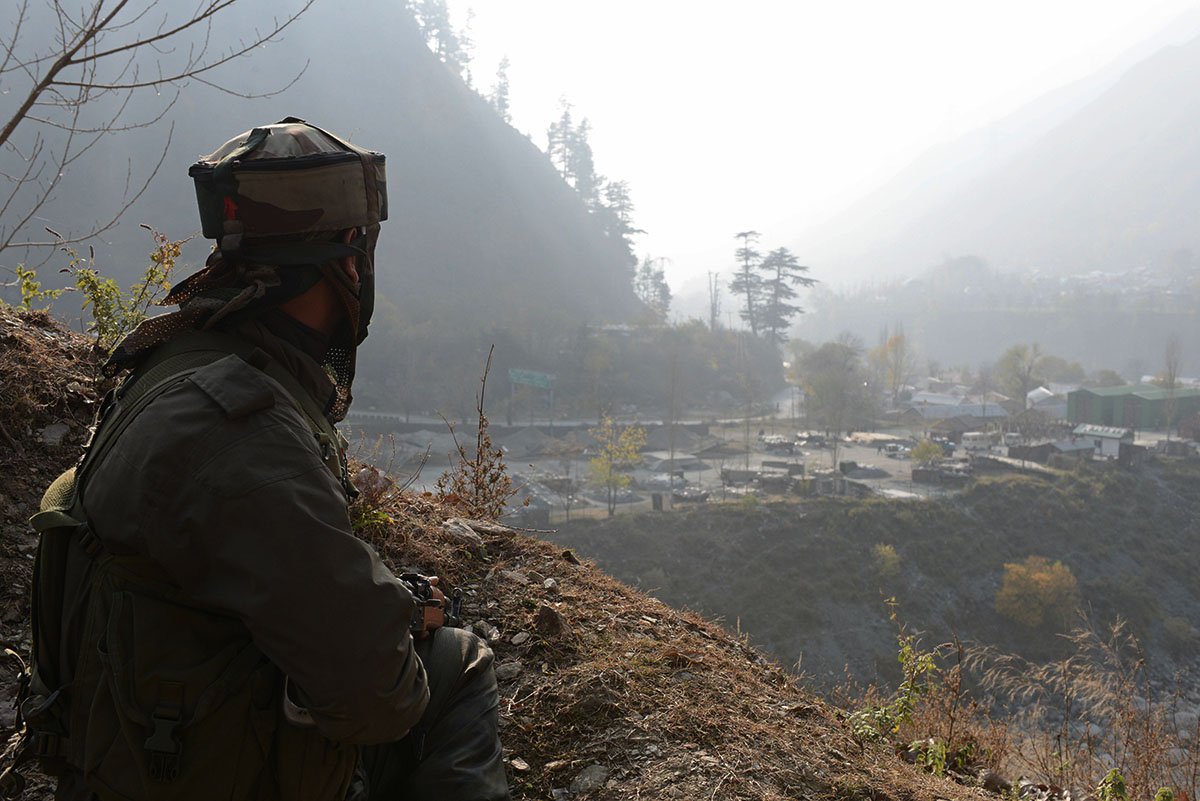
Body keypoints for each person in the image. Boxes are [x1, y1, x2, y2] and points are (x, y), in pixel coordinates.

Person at [13, 119, 508, 801]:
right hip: (200, 770)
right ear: (347, 260)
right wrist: (394, 627)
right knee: (455, 661)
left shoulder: (171, 366)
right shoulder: (248, 433)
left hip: (120, 758)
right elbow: (378, 701)